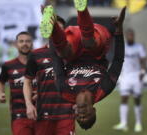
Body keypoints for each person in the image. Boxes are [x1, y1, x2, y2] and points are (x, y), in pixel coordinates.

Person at [43, 0, 126, 129]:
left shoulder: (65, 91)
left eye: (79, 118)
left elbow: (56, 62)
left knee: (63, 52)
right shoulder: (103, 89)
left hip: (73, 46)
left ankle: (52, 25)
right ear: (94, 111)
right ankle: (81, 8)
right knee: (89, 43)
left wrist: (51, 36)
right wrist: (119, 30)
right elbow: (118, 61)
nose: (82, 115)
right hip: (97, 42)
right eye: (86, 116)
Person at [23, 16, 75, 135]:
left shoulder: (72, 53)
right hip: (44, 114)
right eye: (54, 29)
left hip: (67, 114)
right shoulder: (36, 54)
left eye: (59, 29)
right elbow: (27, 81)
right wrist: (29, 104)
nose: (56, 32)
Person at [0, 32, 37, 135]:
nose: (24, 44)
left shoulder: (40, 63)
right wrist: (1, 93)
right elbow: (1, 82)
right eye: (21, 41)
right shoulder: (8, 65)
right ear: (16, 44)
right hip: (19, 115)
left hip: (40, 114)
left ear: (32, 43)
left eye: (28, 41)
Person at [113, 28, 147, 132]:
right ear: (126, 36)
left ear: (134, 36)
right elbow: (118, 60)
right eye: (128, 35)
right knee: (124, 98)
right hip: (125, 77)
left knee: (137, 100)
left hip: (136, 76)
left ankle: (138, 123)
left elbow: (143, 60)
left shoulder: (139, 47)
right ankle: (123, 123)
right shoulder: (123, 48)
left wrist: (143, 71)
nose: (130, 36)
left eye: (132, 35)